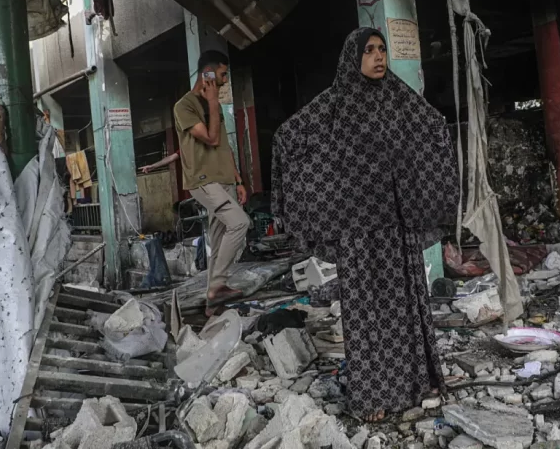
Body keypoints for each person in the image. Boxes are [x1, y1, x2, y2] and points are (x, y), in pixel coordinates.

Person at [271, 28, 456, 423]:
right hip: (357, 231)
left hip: (396, 225)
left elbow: (432, 127)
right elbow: (289, 137)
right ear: (352, 58)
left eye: (382, 49)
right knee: (366, 312)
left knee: (405, 305)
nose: (378, 57)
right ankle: (374, 397)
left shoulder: (399, 97)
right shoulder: (335, 104)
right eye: (369, 50)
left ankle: (416, 383)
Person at [173, 50, 250, 312]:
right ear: (207, 73)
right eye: (222, 74)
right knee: (240, 223)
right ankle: (218, 286)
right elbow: (211, 138)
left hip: (224, 180)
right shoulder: (185, 106)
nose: (225, 80)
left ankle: (212, 307)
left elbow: (225, 146)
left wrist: (238, 180)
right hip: (203, 181)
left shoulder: (213, 106)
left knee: (217, 244)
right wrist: (213, 102)